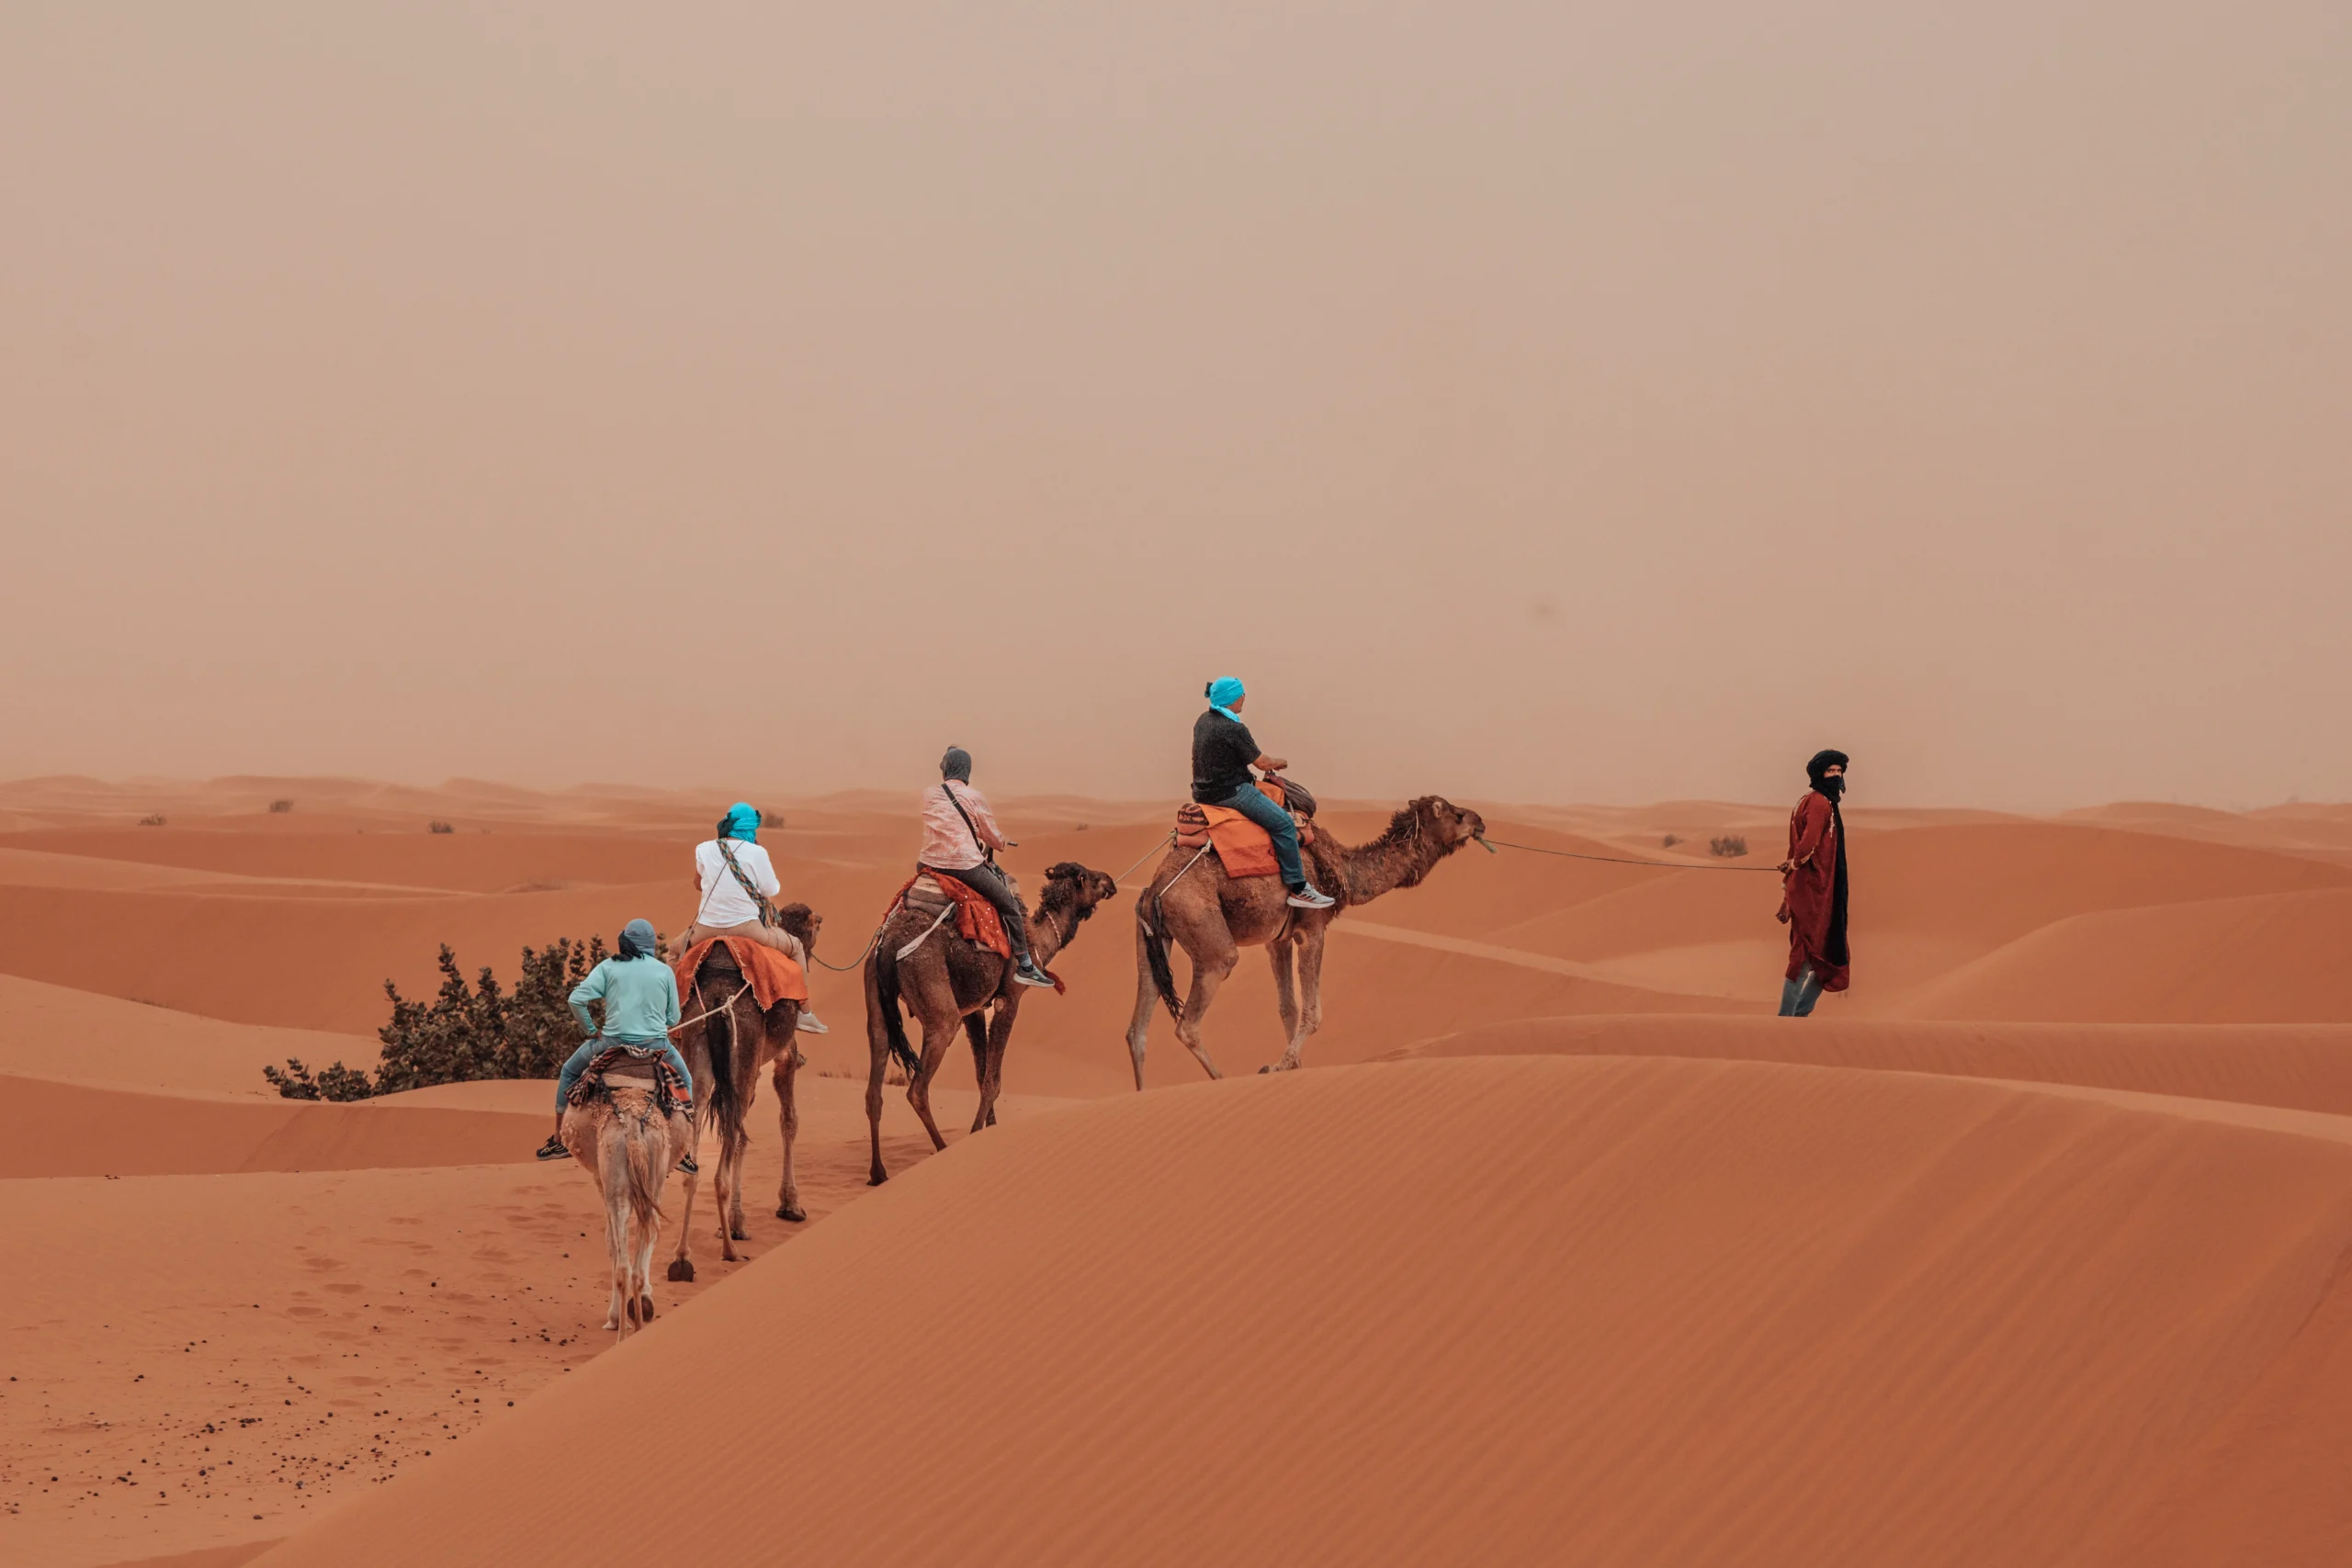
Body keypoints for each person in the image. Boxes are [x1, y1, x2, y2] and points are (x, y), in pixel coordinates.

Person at [537, 919, 698, 1170]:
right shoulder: (664, 971)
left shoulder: (608, 967)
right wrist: (660, 1021)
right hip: (657, 1045)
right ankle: (685, 1151)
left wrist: (591, 1030)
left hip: (610, 1042)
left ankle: (558, 1140)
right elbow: (674, 1018)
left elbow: (575, 1000)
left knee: (569, 1071)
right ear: (651, 944)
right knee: (686, 1080)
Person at [674, 802, 829, 1034]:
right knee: (796, 946)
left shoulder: (703, 848)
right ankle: (804, 1013)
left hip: (706, 929)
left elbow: (698, 884)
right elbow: (771, 890)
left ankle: (669, 1011)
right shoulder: (757, 852)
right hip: (747, 929)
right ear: (751, 828)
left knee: (673, 952)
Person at [1192, 677, 1335, 909]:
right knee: (1285, 825)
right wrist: (1280, 762)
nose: (1244, 698)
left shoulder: (1203, 720)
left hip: (1202, 791)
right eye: (1241, 695)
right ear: (1231, 698)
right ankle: (1299, 888)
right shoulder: (1234, 728)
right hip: (1231, 792)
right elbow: (1261, 762)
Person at [920, 747, 1057, 988]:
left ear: (945, 768)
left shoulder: (929, 794)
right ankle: (1025, 965)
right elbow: (991, 836)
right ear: (967, 770)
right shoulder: (973, 797)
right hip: (964, 866)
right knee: (1009, 905)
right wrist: (1002, 842)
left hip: (929, 863)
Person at [1775, 750, 1851, 1017]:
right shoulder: (1820, 804)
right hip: (1815, 894)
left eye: (1839, 771)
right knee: (1809, 958)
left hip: (1812, 891)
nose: (1836, 776)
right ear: (1819, 774)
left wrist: (1786, 897)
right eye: (1831, 771)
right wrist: (1795, 864)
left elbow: (1794, 848)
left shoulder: (1807, 802)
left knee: (1825, 957)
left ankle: (1796, 1015)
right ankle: (1787, 1020)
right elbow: (1805, 845)